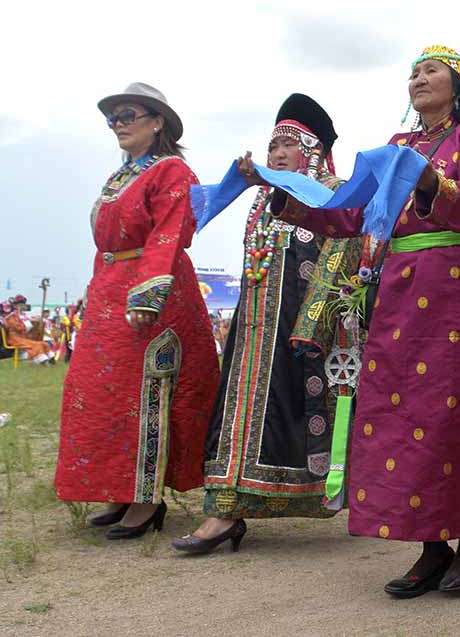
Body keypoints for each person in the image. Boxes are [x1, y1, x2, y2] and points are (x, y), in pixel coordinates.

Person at [274, 45, 460, 598]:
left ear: (457, 85)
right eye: (413, 73)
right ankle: (430, 544)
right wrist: (285, 196)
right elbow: (352, 212)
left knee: (459, 413)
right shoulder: (397, 146)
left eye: (431, 71)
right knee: (404, 415)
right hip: (403, 294)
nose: (419, 79)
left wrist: (431, 183)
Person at [173, 94, 345, 555]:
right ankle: (224, 509)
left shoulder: (333, 194)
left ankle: (238, 509)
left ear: (312, 151)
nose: (278, 153)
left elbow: (338, 260)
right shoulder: (265, 198)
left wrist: (313, 324)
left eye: (289, 145)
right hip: (252, 332)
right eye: (272, 146)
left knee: (289, 418)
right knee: (238, 414)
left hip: (302, 333)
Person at [54, 83, 219, 539]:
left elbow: (169, 233)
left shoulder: (172, 171)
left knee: (145, 392)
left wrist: (147, 295)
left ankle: (146, 500)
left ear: (157, 121)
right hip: (110, 293)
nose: (118, 125)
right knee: (101, 393)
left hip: (153, 295)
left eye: (127, 115)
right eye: (113, 118)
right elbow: (107, 246)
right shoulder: (119, 177)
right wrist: (98, 290)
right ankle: (120, 490)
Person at [2, 295, 54, 363]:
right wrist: (29, 323)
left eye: (23, 304)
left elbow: (29, 326)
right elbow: (18, 327)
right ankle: (40, 359)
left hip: (24, 338)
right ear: (15, 306)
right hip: (14, 338)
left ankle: (49, 358)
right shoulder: (11, 317)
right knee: (36, 345)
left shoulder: (25, 316)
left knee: (43, 344)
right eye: (20, 304)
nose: (22, 306)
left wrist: (36, 322)